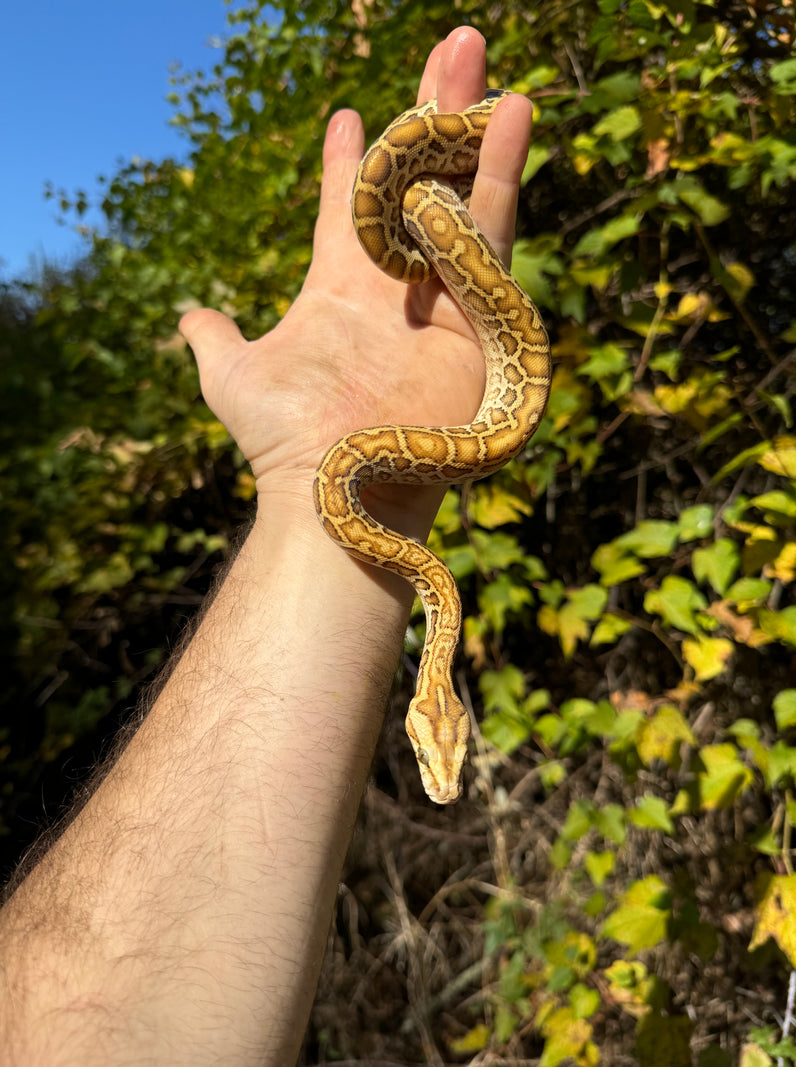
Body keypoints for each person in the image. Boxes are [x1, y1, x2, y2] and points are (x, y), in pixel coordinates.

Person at [0, 26, 532, 1066]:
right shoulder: (397, 543)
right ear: (442, 705)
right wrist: (311, 473)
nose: (439, 758)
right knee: (427, 184)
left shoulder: (423, 570)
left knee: (434, 181)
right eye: (435, 740)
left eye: (436, 747)